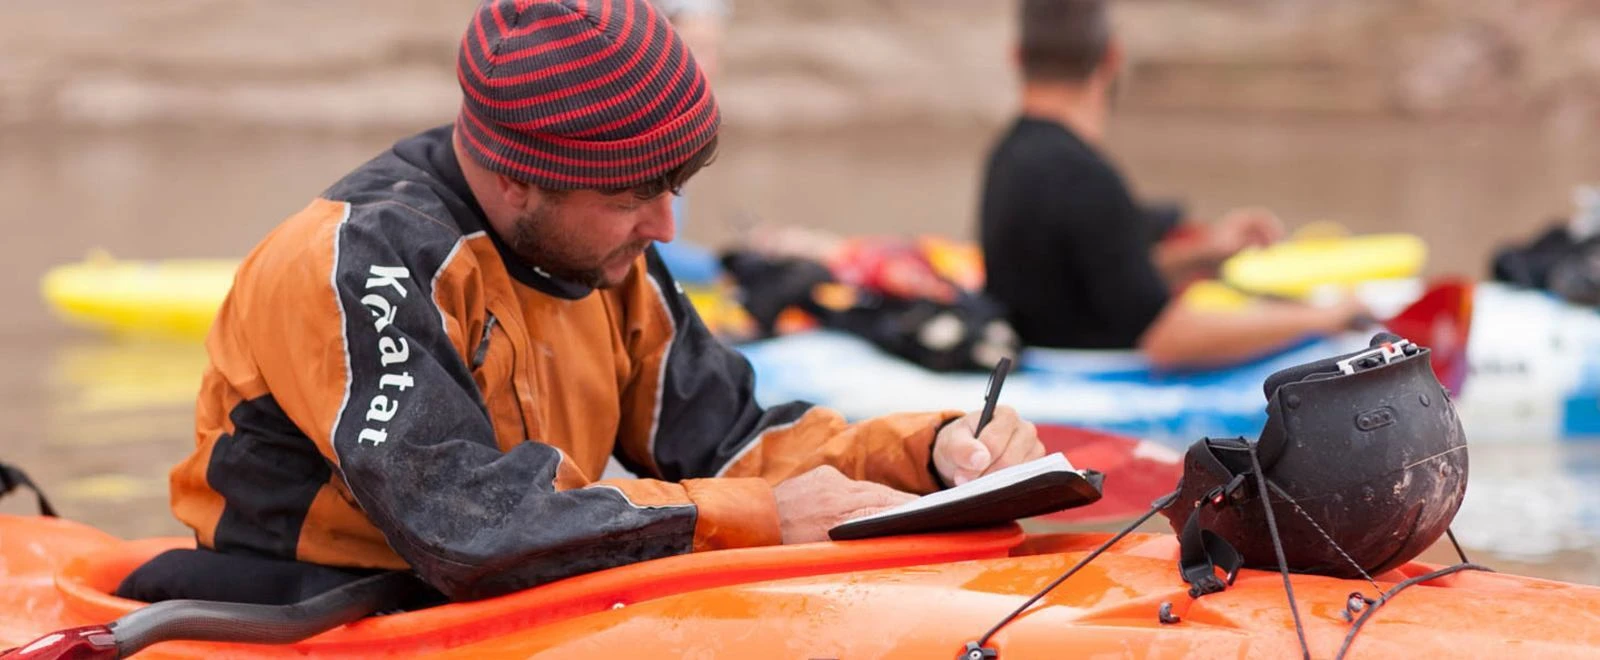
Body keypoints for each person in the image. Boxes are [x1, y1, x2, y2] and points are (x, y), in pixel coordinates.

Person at [115, 0, 1047, 606]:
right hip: (306, 605)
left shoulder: (607, 256)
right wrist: (758, 517)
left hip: (497, 600)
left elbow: (736, 443)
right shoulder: (362, 261)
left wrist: (927, 452)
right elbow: (469, 529)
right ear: (520, 180)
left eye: (676, 184)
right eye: (637, 192)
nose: (668, 225)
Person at [978, 0, 1370, 369]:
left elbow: (1086, 277)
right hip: (1093, 378)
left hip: (1038, 357)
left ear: (1016, 57)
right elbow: (1166, 339)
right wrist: (1323, 316)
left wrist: (1206, 252)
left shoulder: (1007, 157)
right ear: (1112, 56)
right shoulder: (1085, 177)